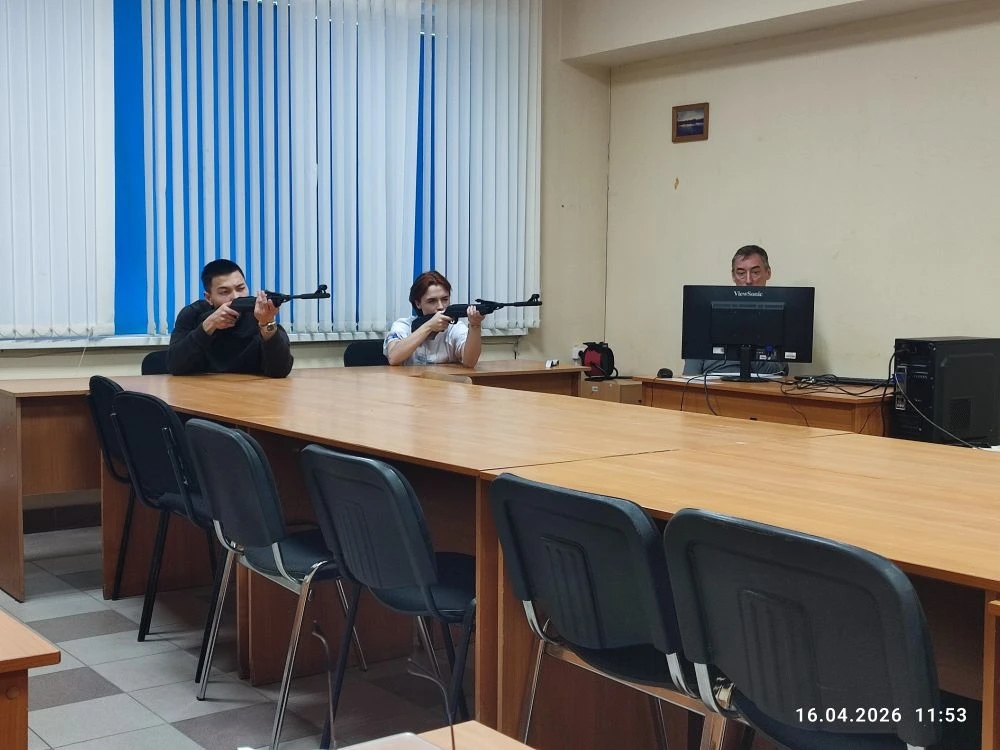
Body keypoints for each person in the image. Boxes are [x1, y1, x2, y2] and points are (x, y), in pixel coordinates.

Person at [167, 259, 294, 378]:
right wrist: (208, 326)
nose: (236, 296)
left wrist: (267, 323)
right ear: (209, 298)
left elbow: (280, 371)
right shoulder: (193, 314)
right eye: (224, 292)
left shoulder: (259, 313)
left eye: (241, 288)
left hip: (251, 390)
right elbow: (175, 366)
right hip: (200, 389)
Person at [682, 245, 788, 377]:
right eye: (741, 273)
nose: (748, 281)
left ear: (768, 273)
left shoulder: (779, 315)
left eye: (755, 272)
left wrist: (747, 332)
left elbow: (776, 371)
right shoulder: (708, 312)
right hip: (710, 383)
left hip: (759, 385)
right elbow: (691, 372)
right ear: (733, 276)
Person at [384, 271, 484, 367]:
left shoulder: (455, 328)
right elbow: (393, 358)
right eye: (432, 301)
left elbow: (470, 362)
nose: (440, 306)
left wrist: (475, 326)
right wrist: (429, 326)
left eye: (445, 299)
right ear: (418, 303)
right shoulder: (403, 325)